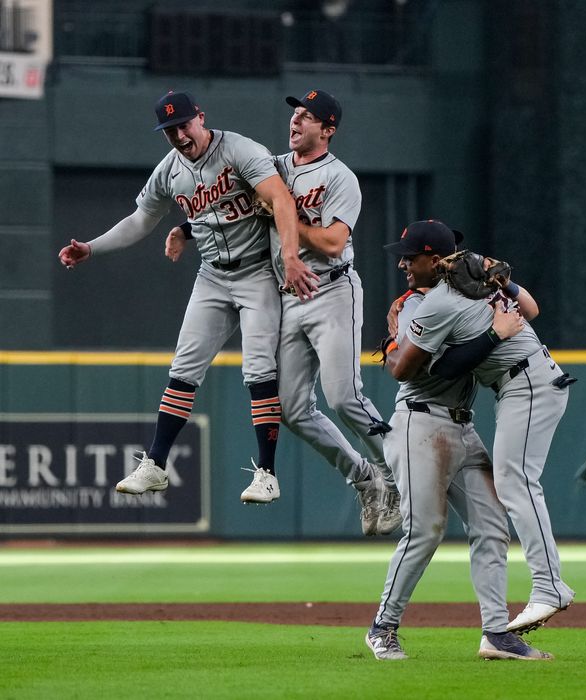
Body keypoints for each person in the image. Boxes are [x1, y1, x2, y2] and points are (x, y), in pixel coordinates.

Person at [58, 90, 317, 497]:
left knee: (259, 371)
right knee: (183, 369)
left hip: (257, 274)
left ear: (200, 117)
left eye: (183, 125)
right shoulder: (169, 171)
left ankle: (266, 474)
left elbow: (280, 199)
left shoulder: (239, 149)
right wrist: (91, 247)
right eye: (169, 130)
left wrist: (290, 255)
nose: (178, 135)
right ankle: (156, 464)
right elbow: (140, 220)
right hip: (212, 275)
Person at [166, 89, 401, 536]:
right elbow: (224, 206)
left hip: (330, 290)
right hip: (285, 296)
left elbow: (333, 243)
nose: (295, 122)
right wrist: (183, 229)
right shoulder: (271, 166)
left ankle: (397, 474)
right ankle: (364, 477)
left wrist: (281, 217)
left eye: (307, 117)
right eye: (294, 114)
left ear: (328, 130)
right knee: (290, 409)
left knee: (343, 396)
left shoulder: (340, 178)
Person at [365, 220, 554, 661]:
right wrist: (491, 334)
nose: (403, 263)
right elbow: (404, 368)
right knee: (425, 532)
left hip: (462, 426)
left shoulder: (474, 294)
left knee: (491, 528)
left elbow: (529, 308)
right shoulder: (417, 304)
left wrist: (499, 277)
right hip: (420, 425)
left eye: (410, 257)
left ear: (437, 260)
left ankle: (496, 634)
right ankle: (382, 627)